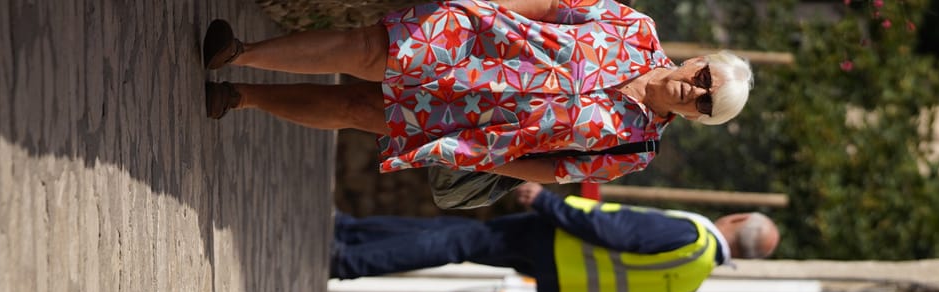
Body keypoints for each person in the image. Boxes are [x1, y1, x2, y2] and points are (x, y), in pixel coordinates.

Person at [199, 3, 751, 187]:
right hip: (478, 44)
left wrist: (482, 159)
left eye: (706, 104)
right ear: (697, 61)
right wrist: (484, 5)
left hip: (474, 124)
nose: (696, 92)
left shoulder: (635, 149)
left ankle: (240, 96)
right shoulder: (635, 27)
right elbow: (553, 8)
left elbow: (552, 172)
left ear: (697, 118)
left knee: (357, 108)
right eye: (706, 79)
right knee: (366, 50)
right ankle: (240, 52)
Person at [332, 182, 779, 292]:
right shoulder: (692, 280)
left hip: (559, 239)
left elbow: (614, 231)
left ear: (738, 219)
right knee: (458, 237)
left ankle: (348, 259)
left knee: (457, 241)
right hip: (559, 275)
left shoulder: (691, 236)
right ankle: (349, 234)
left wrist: (548, 203)